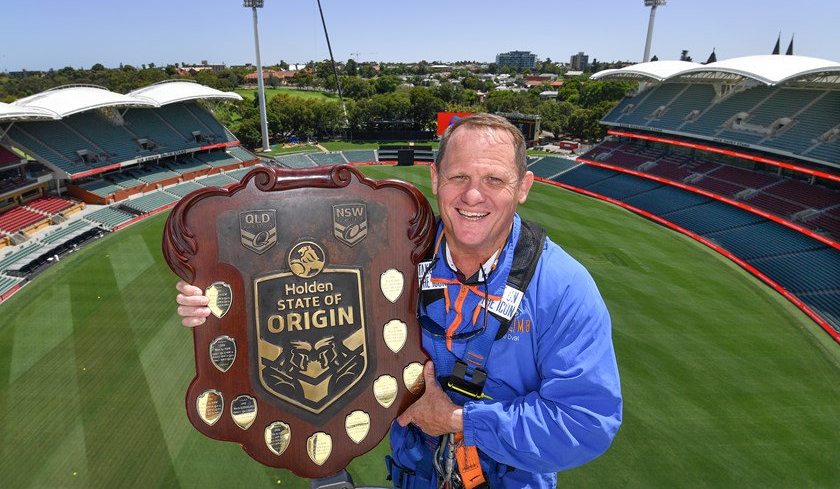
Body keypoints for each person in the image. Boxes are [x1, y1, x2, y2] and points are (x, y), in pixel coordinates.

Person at [176, 113, 622, 488]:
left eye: (494, 180)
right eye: (459, 177)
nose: (472, 195)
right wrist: (222, 310)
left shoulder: (564, 288)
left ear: (523, 186)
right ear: (435, 179)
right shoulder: (392, 258)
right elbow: (299, 292)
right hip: (413, 475)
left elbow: (586, 421)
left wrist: (460, 420)